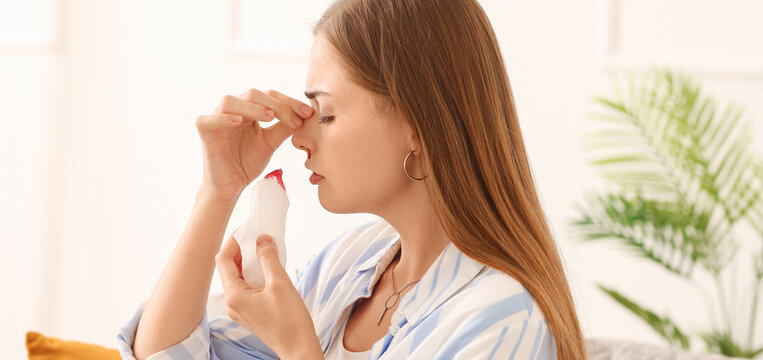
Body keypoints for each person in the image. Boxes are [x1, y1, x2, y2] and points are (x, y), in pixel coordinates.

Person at [117, 0, 587, 359]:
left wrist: (300, 349)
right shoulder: (349, 265)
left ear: (415, 125)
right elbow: (167, 352)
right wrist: (217, 194)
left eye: (325, 114)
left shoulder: (500, 321)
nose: (300, 139)